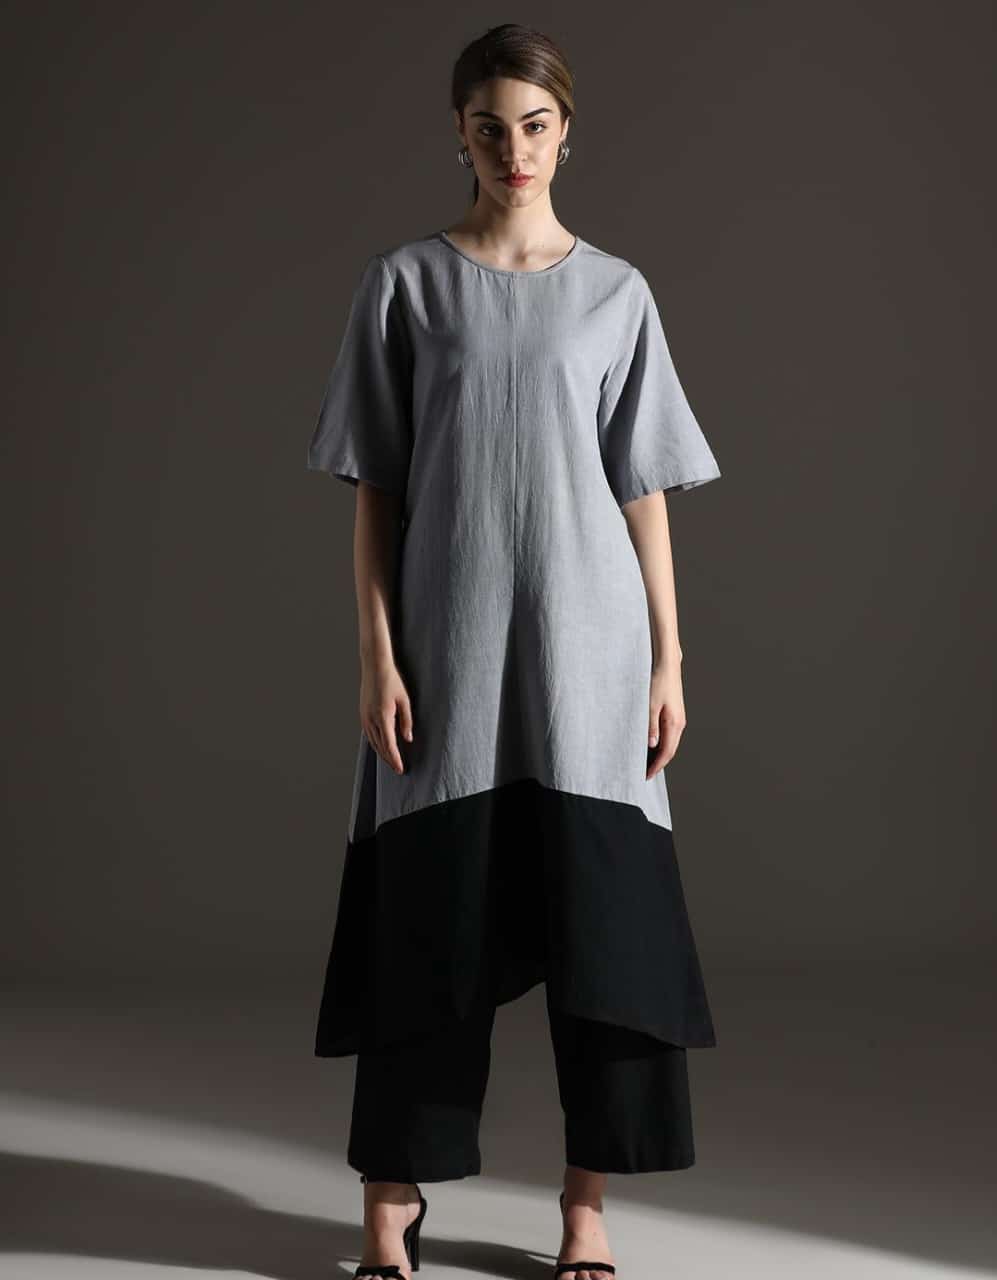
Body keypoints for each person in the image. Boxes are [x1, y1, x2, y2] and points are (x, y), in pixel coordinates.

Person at [306, 23, 721, 1280]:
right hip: (450, 660)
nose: (514, 149)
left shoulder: (617, 294)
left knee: (605, 941)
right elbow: (376, 486)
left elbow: (642, 487)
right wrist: (375, 654)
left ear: (565, 133)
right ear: (460, 135)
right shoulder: (405, 285)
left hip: (591, 661)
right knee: (425, 930)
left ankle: (585, 1211)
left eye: (534, 125)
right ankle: (391, 1203)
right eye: (489, 127)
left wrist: (669, 658)